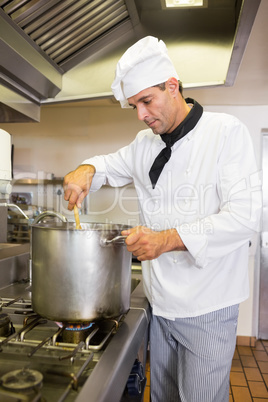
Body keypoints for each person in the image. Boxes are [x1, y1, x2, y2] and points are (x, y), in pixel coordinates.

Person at [63, 36, 262, 402]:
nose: (141, 114)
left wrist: (166, 239)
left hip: (209, 306)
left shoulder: (225, 133)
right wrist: (85, 168)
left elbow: (246, 217)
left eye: (145, 101)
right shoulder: (144, 143)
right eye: (134, 106)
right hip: (161, 304)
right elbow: (106, 165)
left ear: (172, 87)